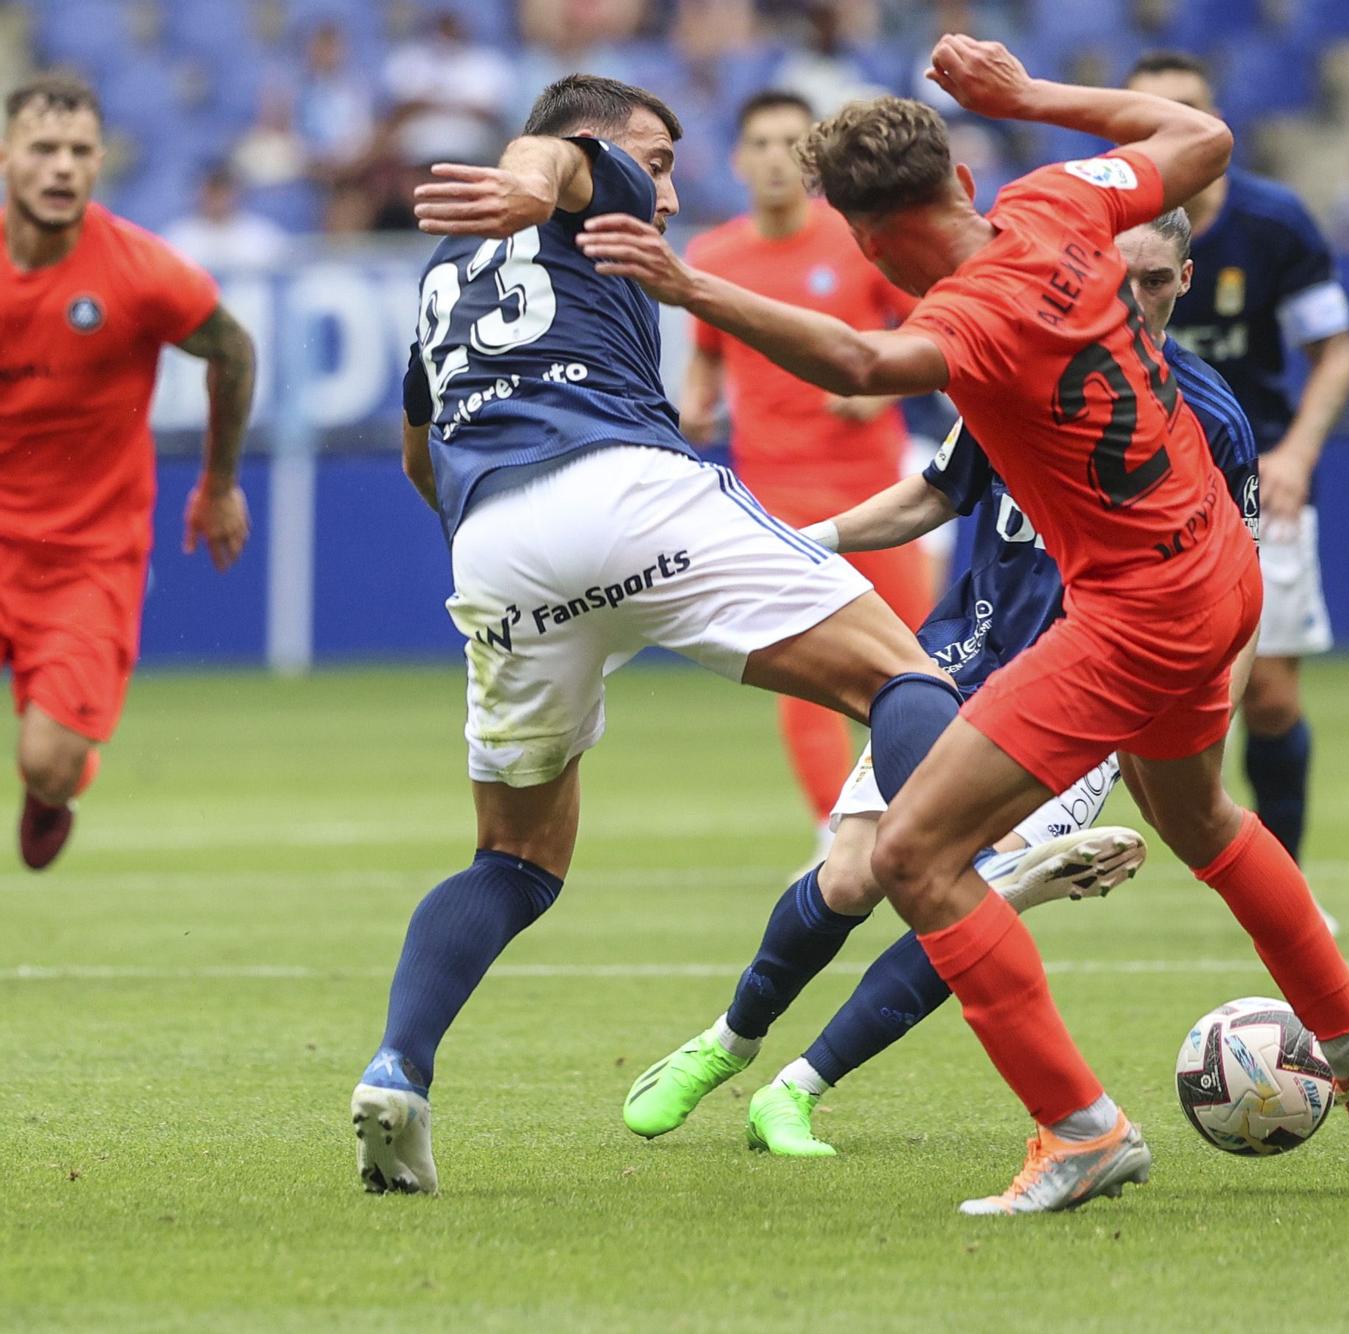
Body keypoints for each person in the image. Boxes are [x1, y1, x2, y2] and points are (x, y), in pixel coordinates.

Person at [577, 36, 1349, 1216]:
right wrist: (1028, 97)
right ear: (963, 182)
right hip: (1219, 571)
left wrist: (687, 286)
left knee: (910, 857)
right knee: (1200, 816)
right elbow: (1201, 140)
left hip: (1134, 612)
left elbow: (864, 359)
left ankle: (1079, 1129)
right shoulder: (1058, 201)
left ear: (871, 244)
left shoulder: (970, 316)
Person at [350, 74, 965, 1196]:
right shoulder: (586, 180)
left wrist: (519, 548)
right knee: (903, 678)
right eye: (663, 160)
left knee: (514, 861)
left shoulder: (445, 276)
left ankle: (398, 1066)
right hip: (629, 486)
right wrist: (535, 177)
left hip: (493, 543)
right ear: (602, 144)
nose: (671, 192)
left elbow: (416, 454)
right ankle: (983, 878)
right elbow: (557, 164)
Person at [622, 209, 1262, 1158]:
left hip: (1086, 698)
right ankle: (729, 1042)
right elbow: (934, 492)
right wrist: (817, 538)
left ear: (1186, 281)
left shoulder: (1210, 420)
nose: (1132, 299)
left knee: (963, 888)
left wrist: (1203, 725)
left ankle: (797, 1090)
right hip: (958, 664)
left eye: (1156, 281)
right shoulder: (1022, 371)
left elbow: (1235, 585)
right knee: (849, 874)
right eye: (1116, 277)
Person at [0, 74, 255, 871]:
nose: (61, 168)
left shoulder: (140, 272)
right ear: (7, 157)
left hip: (85, 556)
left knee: (47, 759)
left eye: (78, 152)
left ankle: (57, 783)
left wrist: (217, 485)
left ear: (100, 162)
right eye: (43, 149)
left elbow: (233, 351)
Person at [1122, 52, 1349, 863]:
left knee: (1266, 692)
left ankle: (1283, 876)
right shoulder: (1094, 224)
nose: (1170, 128)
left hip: (1253, 473)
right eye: (1150, 112)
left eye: (1187, 108)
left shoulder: (1274, 222)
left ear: (1214, 120)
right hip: (1122, 485)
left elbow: (1336, 353)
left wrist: (1294, 452)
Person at [683, 90, 934, 852]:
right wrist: (695, 408)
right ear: (737, 158)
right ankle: (842, 836)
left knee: (922, 660)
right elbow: (707, 353)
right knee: (806, 679)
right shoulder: (714, 257)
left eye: (792, 142)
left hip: (881, 493)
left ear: (816, 159)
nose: (774, 158)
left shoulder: (856, 241)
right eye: (759, 142)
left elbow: (935, 324)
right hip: (777, 497)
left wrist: (883, 382)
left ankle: (934, 821)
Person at [164, 164, 291, 270]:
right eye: (212, 193)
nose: (217, 201)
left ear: (236, 195)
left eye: (223, 193)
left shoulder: (261, 234)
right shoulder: (179, 235)